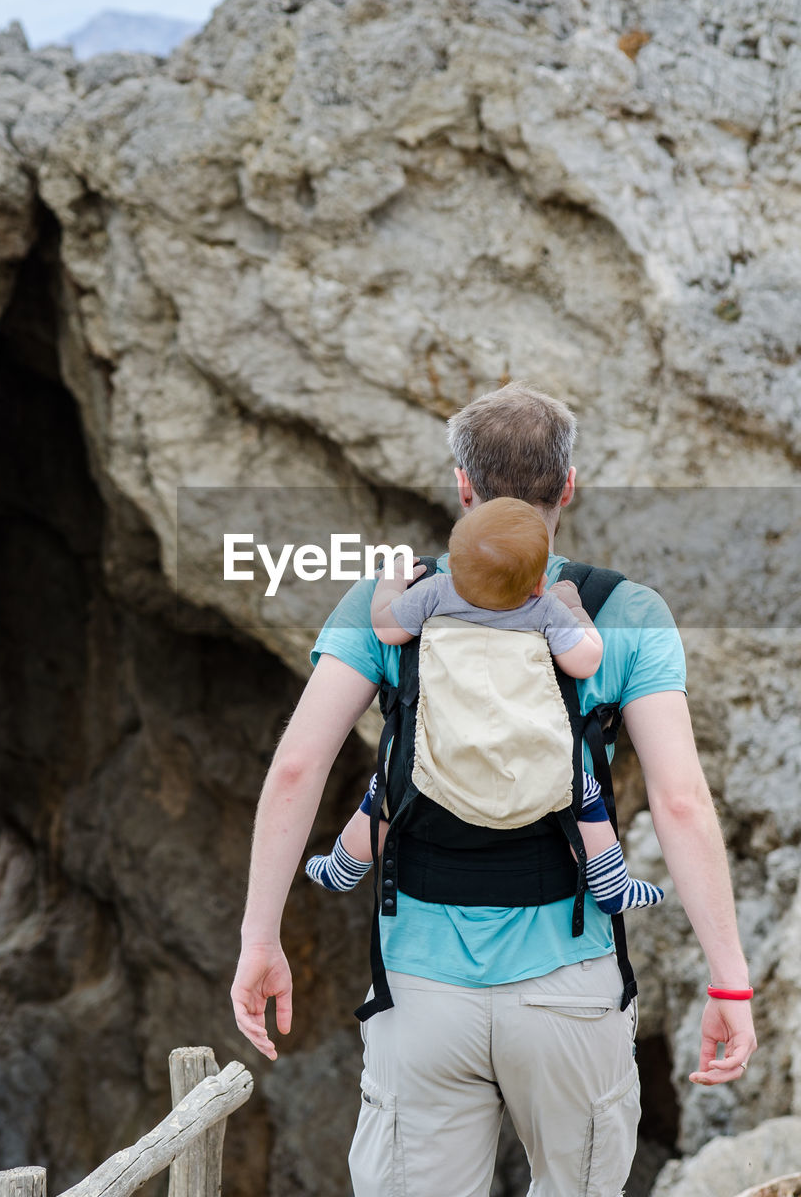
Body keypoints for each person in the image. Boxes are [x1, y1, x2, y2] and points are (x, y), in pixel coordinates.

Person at [231, 382, 757, 1197]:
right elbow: (681, 799)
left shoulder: (398, 603)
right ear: (569, 487)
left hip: (421, 990)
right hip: (572, 988)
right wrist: (727, 978)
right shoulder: (623, 611)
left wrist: (260, 939)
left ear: (463, 486)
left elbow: (298, 767)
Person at [305, 496, 665, 920]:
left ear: (453, 567)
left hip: (440, 765)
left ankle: (343, 868)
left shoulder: (435, 593)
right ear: (537, 584)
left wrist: (388, 585)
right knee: (583, 796)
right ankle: (611, 885)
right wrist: (573, 608)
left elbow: (387, 629)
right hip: (534, 771)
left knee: (382, 791)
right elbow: (586, 660)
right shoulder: (546, 608)